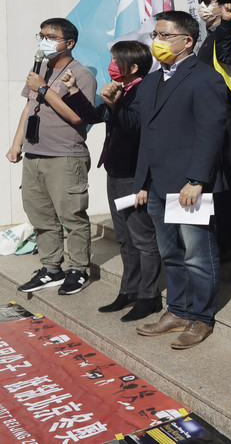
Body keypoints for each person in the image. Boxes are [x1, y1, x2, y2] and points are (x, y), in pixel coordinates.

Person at [133, 10, 227, 350]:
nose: (156, 42)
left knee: (197, 253)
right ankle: (178, 309)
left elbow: (210, 132)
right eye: (155, 35)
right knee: (170, 251)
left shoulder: (205, 78)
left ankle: (201, 318)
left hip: (188, 184)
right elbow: (148, 134)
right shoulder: (151, 80)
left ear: (187, 41)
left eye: (164, 35)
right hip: (156, 182)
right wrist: (142, 181)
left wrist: (197, 179)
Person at [59, 42, 163, 322]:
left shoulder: (145, 90)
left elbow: (134, 125)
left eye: (117, 60)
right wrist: (73, 90)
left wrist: (115, 104)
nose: (112, 64)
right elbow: (95, 116)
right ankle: (129, 290)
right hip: (116, 171)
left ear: (133, 67)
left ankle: (149, 296)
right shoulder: (122, 89)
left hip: (134, 174)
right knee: (125, 238)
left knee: (142, 238)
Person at [8, 18, 96, 295]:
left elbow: (78, 117)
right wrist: (16, 144)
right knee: (41, 216)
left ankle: (79, 270)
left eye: (50, 37)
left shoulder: (81, 75)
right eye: (41, 35)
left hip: (65, 157)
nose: (43, 41)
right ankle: (51, 268)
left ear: (69, 43)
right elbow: (27, 108)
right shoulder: (40, 69)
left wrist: (45, 88)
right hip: (34, 154)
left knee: (72, 216)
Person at [195, 0, 231, 259]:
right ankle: (210, 235)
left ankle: (227, 241)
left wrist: (226, 25)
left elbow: (230, 58)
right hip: (203, 116)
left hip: (223, 116)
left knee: (225, 176)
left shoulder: (229, 32)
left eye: (209, 0)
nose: (204, 5)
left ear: (225, 5)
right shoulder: (207, 35)